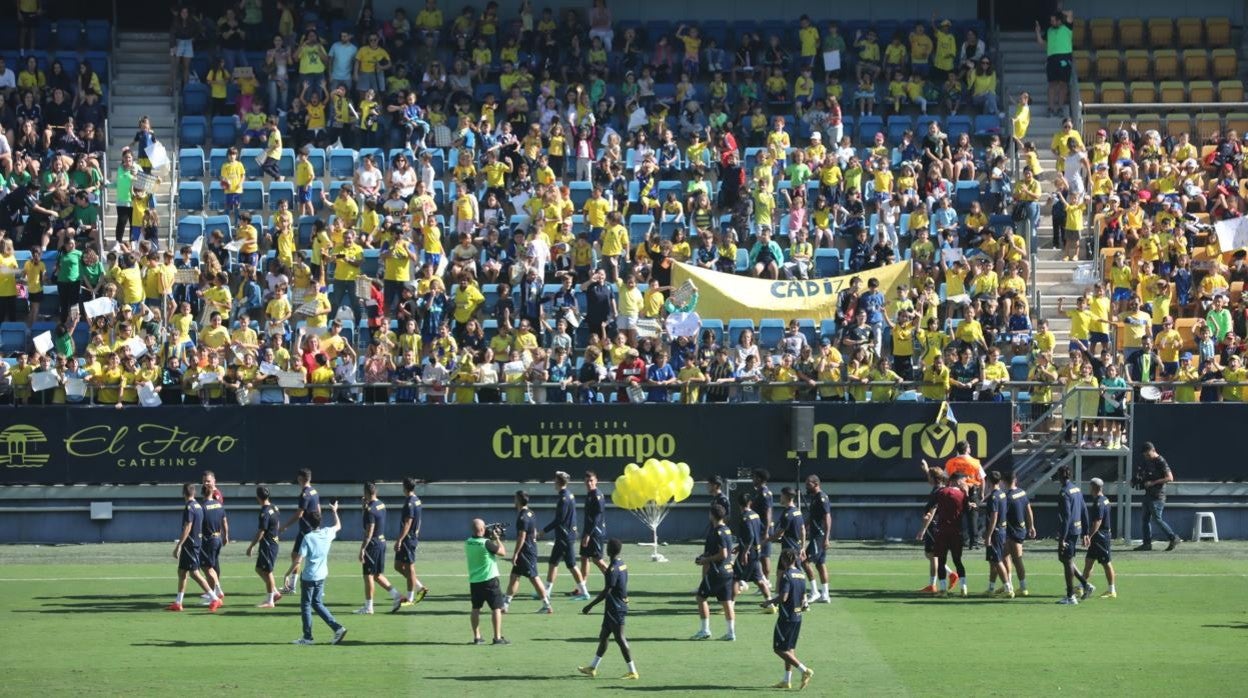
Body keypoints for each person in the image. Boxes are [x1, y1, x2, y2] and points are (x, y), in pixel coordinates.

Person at [284, 499, 349, 645]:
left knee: (306, 605)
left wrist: (287, 574)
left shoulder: (308, 537)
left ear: (308, 523)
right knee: (317, 603)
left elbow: (299, 560)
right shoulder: (327, 532)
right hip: (322, 575)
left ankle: (308, 637)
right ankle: (338, 628)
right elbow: (338, 526)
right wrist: (334, 511)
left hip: (309, 576)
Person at [577, 538, 639, 680]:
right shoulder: (622, 564)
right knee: (604, 636)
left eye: (608, 546)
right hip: (615, 606)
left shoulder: (612, 568)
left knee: (620, 638)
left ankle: (633, 671)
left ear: (610, 550)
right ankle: (592, 668)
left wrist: (589, 605)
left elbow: (607, 591)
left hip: (616, 608)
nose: (606, 548)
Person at [762, 549, 815, 690]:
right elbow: (804, 596)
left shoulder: (787, 575)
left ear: (784, 560)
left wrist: (768, 602)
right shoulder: (801, 574)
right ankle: (787, 680)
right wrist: (803, 605)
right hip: (798, 617)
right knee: (789, 649)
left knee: (778, 649)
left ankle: (804, 670)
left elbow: (783, 597)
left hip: (786, 617)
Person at [166, 483, 222, 612]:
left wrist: (179, 545)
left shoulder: (190, 507)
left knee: (195, 573)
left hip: (190, 544)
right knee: (182, 572)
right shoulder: (198, 506)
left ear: (183, 493)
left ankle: (214, 598)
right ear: (194, 493)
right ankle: (178, 603)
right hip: (196, 542)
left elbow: (188, 526)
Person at [353, 481, 403, 615]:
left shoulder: (370, 510)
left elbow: (369, 530)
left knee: (368, 575)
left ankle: (369, 607)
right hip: (382, 542)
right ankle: (397, 596)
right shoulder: (381, 504)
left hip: (373, 544)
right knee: (377, 575)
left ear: (365, 493)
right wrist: (365, 506)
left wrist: (363, 548)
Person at [917, 470, 968, 597]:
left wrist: (927, 514)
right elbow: (968, 511)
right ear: (957, 481)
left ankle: (943, 589)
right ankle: (964, 588)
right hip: (957, 532)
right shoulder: (962, 494)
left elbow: (930, 506)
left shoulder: (941, 492)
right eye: (964, 481)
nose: (965, 483)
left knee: (941, 559)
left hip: (942, 531)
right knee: (957, 561)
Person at [692, 503, 736, 641]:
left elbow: (722, 554)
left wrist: (707, 560)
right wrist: (704, 556)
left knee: (701, 597)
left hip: (718, 571)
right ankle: (731, 633)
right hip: (728, 570)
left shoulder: (717, 532)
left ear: (712, 515)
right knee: (727, 601)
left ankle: (705, 630)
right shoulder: (727, 529)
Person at [504, 490, 552, 614]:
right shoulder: (531, 512)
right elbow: (533, 530)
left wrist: (515, 554)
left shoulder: (522, 517)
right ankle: (505, 604)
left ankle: (547, 605)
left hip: (526, 552)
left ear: (518, 500)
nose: (514, 501)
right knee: (514, 576)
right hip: (528, 550)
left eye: (515, 498)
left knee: (534, 578)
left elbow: (522, 537)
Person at [544, 471, 590, 600]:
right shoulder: (569, 495)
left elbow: (560, 519)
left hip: (565, 537)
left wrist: (543, 531)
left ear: (558, 482)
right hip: (563, 536)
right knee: (553, 563)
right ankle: (546, 592)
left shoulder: (564, 498)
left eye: (555, 480)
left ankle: (584, 592)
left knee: (572, 565)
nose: (554, 482)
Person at [465, 518, 510, 645]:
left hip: (475, 581)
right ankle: (497, 637)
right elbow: (502, 552)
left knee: (475, 608)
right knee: (496, 608)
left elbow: (478, 538)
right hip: (490, 580)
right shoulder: (487, 543)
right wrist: (497, 538)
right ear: (482, 529)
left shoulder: (468, 542)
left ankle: (477, 637)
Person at [279, 468, 321, 591]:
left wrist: (285, 526)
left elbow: (299, 514)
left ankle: (300, 586)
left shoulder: (305, 494)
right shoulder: (314, 491)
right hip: (310, 529)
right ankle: (293, 585)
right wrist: (318, 524)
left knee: (302, 557)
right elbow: (318, 509)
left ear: (300, 478)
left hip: (306, 531)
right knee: (296, 555)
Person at [1055, 465, 1091, 605]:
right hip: (1076, 529)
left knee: (1067, 561)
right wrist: (1085, 532)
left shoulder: (1064, 492)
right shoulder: (1076, 489)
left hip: (1069, 531)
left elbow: (1066, 517)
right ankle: (1085, 585)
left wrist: (1062, 538)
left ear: (1059, 476)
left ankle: (1071, 596)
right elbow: (1084, 510)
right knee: (1066, 560)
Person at [1134, 441, 1179, 551]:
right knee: (1145, 519)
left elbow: (1170, 478)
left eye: (1148, 454)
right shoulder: (1147, 461)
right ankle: (1147, 543)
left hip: (1158, 495)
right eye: (1145, 455)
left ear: (1153, 450)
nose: (1147, 457)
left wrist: (1153, 483)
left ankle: (1173, 537)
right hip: (1148, 494)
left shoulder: (1160, 461)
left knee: (1157, 518)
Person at [392, 476, 429, 611]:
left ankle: (411, 597)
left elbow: (408, 523)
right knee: (397, 566)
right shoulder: (417, 500)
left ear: (404, 487)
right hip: (411, 537)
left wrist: (399, 540)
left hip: (408, 539)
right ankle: (420, 587)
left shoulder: (410, 503)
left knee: (409, 568)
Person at [244, 486, 282, 608]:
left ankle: (270, 601)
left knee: (267, 571)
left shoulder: (264, 512)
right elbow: (277, 523)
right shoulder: (274, 507)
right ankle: (275, 592)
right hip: (273, 542)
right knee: (259, 569)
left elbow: (261, 531)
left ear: (258, 497)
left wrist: (251, 546)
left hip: (268, 544)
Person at [941, 440, 984, 549]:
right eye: (969, 447)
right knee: (972, 517)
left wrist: (948, 489)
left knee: (955, 517)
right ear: (966, 449)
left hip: (955, 491)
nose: (970, 448)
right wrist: (982, 493)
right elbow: (982, 479)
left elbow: (945, 478)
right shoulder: (975, 462)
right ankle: (973, 542)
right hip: (971, 490)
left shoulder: (951, 462)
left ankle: (955, 541)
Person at [1081, 477, 1118, 599]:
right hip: (1099, 536)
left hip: (1101, 536)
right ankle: (1082, 586)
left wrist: (1089, 536)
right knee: (1089, 561)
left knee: (1106, 562)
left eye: (1090, 487)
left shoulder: (1099, 502)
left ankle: (1112, 590)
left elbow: (1098, 521)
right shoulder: (1105, 499)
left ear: (1093, 487)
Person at [734, 492, 773, 600]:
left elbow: (750, 536)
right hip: (756, 553)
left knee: (734, 578)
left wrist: (745, 551)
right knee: (759, 580)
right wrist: (740, 546)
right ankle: (770, 603)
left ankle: (729, 605)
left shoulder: (744, 517)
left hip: (749, 553)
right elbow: (759, 531)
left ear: (739, 504)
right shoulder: (755, 515)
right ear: (750, 503)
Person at [981, 471, 1013, 598]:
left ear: (988, 482)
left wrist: (988, 535)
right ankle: (991, 588)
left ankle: (1008, 588)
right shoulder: (1002, 494)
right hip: (1002, 530)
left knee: (997, 560)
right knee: (993, 561)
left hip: (996, 532)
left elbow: (994, 516)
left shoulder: (994, 497)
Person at [1003, 470, 1036, 596]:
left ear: (1004, 482)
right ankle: (1008, 584)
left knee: (1017, 560)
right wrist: (1031, 526)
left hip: (1012, 531)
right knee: (1004, 556)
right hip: (1020, 529)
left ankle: (1022, 587)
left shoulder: (1007, 497)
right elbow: (1028, 509)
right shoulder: (1021, 492)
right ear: (1015, 480)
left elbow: (1001, 515)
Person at [802, 475, 832, 604]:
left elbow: (827, 517)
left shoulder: (821, 497)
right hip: (816, 535)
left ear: (816, 484)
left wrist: (826, 537)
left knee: (804, 561)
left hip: (819, 536)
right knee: (820, 564)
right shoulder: (814, 498)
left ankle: (814, 591)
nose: (806, 487)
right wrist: (804, 526)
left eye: (808, 484)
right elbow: (812, 516)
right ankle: (825, 594)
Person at [198, 483, 229, 604]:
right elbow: (224, 521)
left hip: (208, 541)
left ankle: (216, 592)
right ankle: (213, 592)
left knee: (207, 568)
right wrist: (226, 535)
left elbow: (199, 525)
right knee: (212, 566)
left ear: (202, 494)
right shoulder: (219, 505)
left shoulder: (203, 507)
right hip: (218, 538)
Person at [579, 471, 609, 579]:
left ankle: (614, 581)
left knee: (597, 560)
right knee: (584, 557)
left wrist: (587, 534)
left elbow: (597, 517)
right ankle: (582, 587)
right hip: (587, 532)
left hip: (595, 533)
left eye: (591, 481)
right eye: (587, 481)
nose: (589, 483)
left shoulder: (597, 495)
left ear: (596, 481)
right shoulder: (589, 495)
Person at [749, 468, 775, 579]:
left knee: (764, 556)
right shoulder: (759, 492)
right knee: (758, 555)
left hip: (765, 528)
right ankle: (763, 579)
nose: (752, 479)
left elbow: (768, 512)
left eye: (754, 477)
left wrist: (766, 531)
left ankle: (767, 581)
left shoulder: (765, 493)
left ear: (759, 479)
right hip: (759, 528)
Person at [771, 487, 805, 561]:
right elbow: (803, 530)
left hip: (789, 550)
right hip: (794, 548)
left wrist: (767, 540)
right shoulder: (797, 511)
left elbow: (780, 533)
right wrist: (803, 547)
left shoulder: (788, 514)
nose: (780, 498)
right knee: (780, 572)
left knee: (793, 571)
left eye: (781, 495)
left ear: (785, 497)